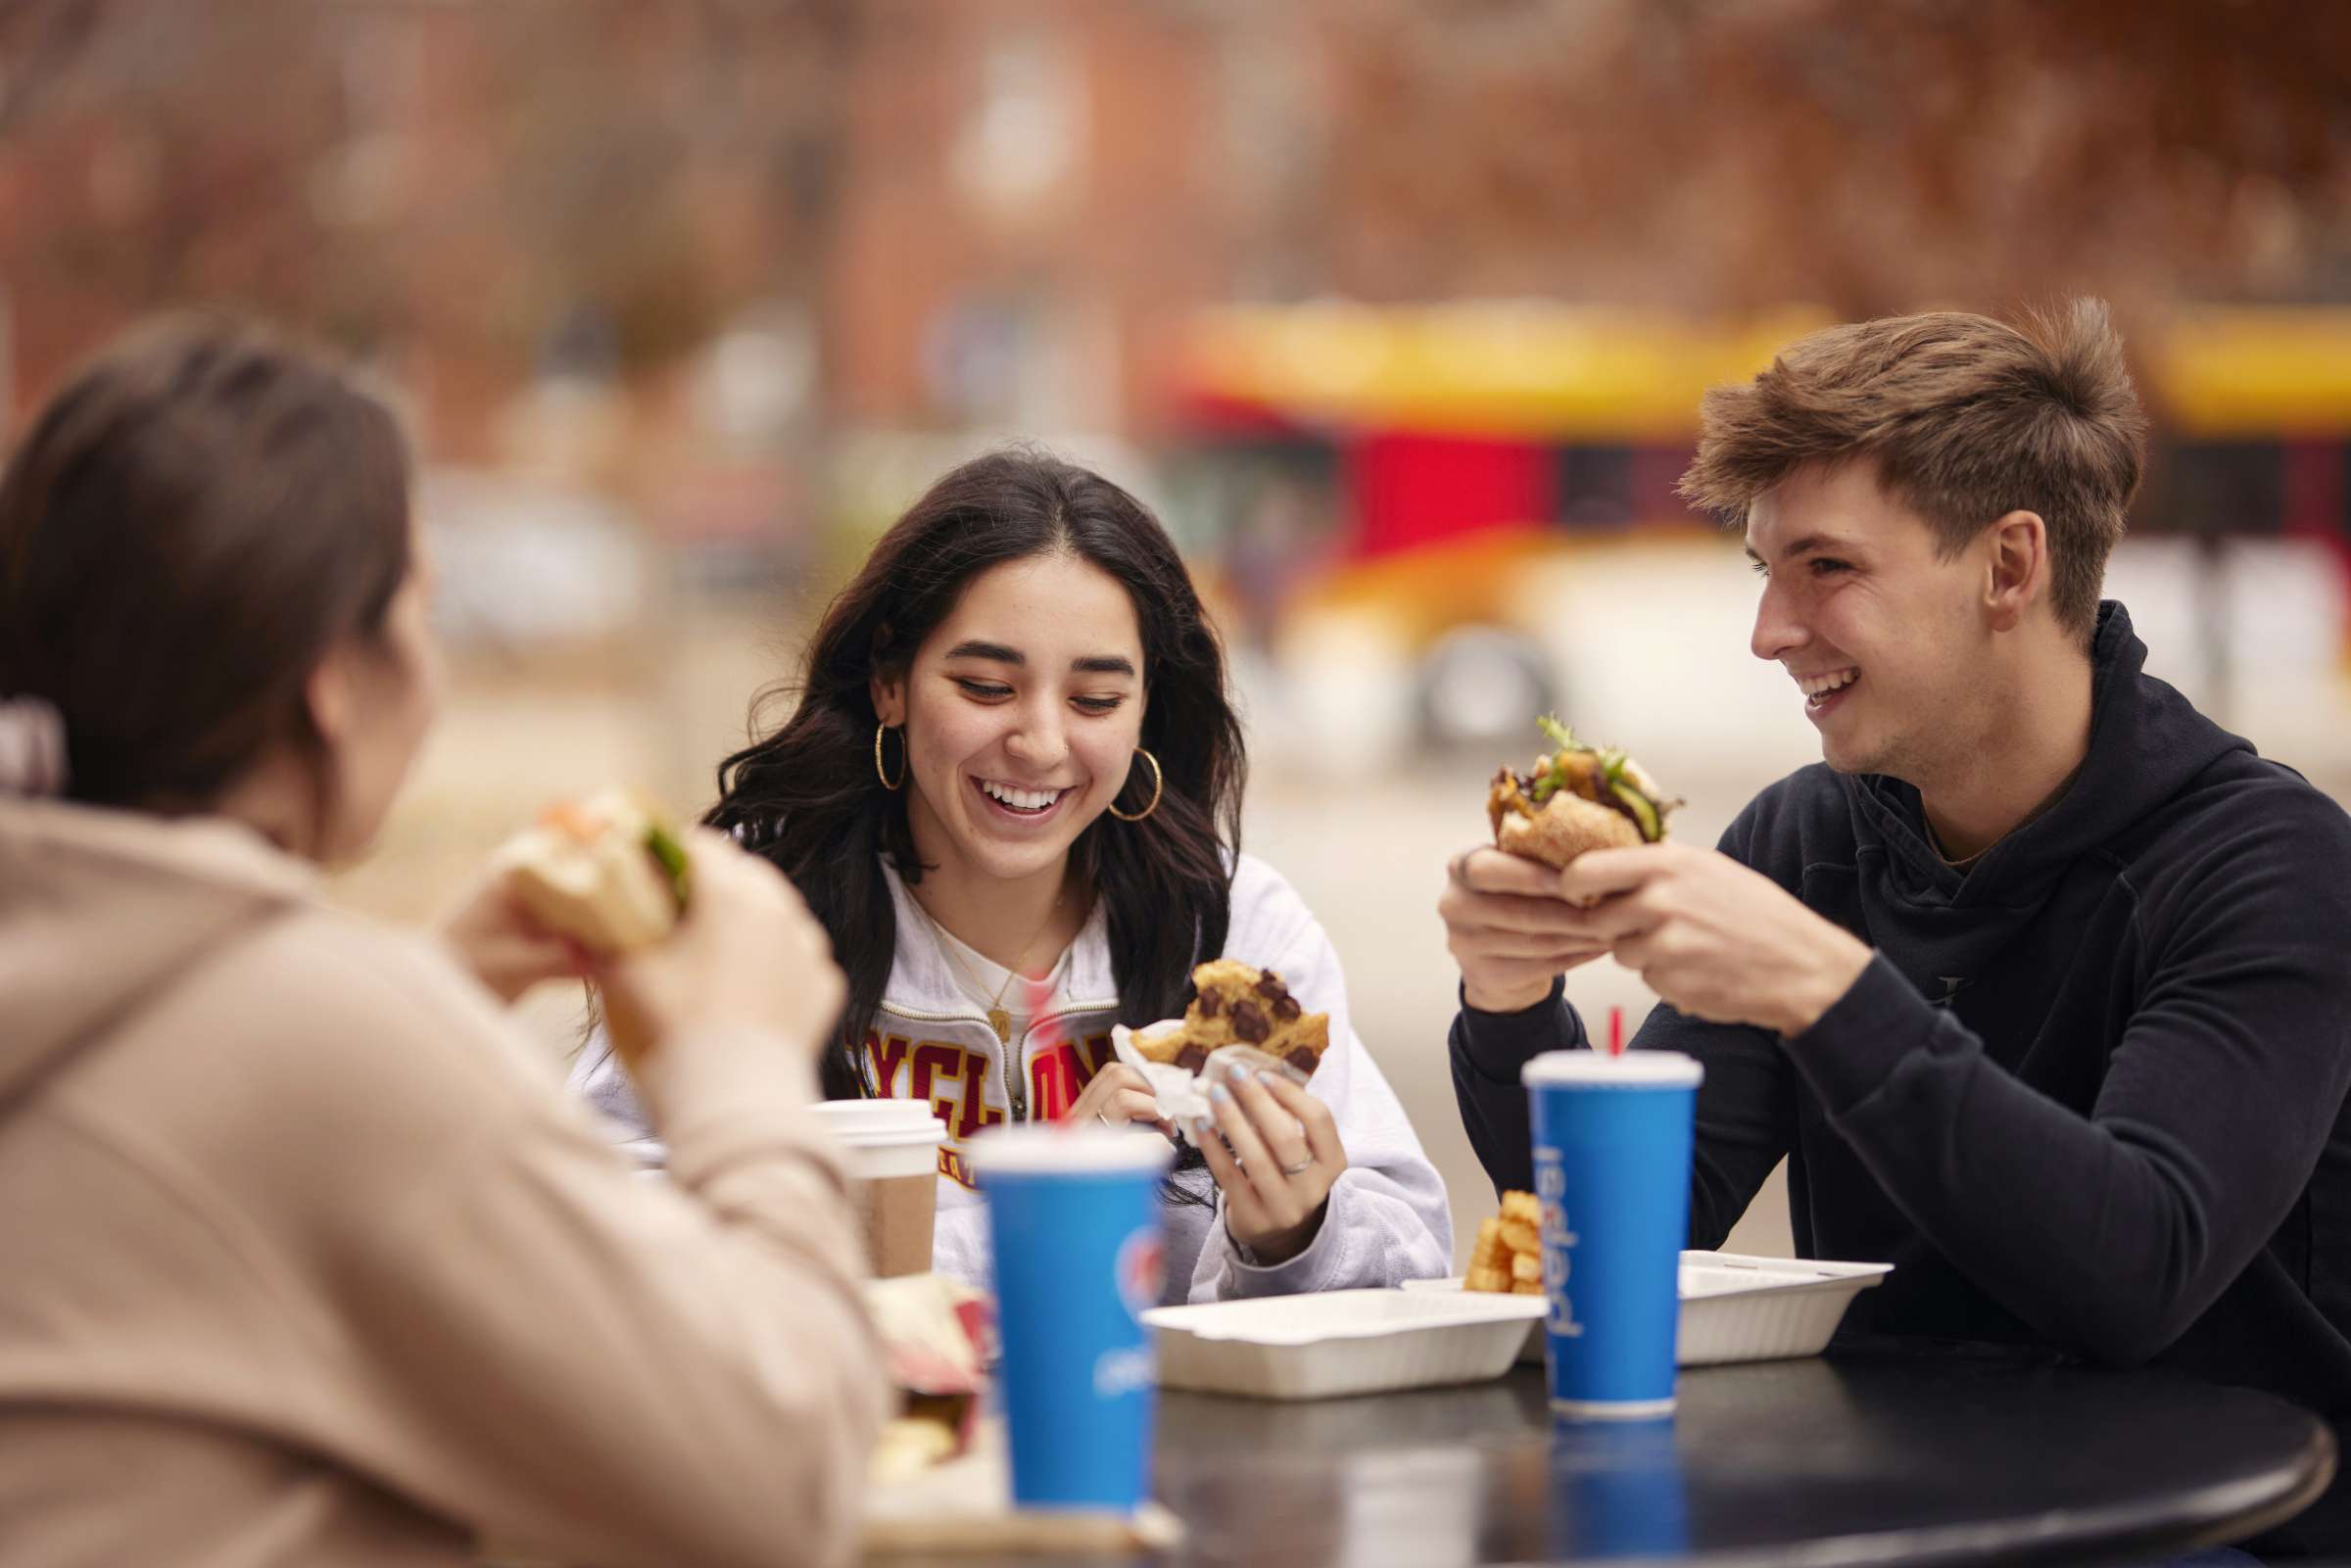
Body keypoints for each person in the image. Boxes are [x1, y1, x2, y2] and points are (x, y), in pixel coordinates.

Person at [1439, 302, 2351, 1558]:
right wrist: (1507, 995)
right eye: (1767, 572)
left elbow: (2134, 1274)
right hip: (1891, 1511)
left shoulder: (2267, 860)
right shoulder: (1806, 840)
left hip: (2223, 1521)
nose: (1769, 632)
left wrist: (1826, 987)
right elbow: (1624, 1237)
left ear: (2009, 565)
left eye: (1829, 567)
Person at [0, 317, 886, 1568]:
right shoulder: (323, 1033)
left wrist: (430, 988)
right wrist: (743, 1071)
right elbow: (786, 1478)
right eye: (419, 607)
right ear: (334, 682)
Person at [573, 449, 1452, 1299]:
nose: (1039, 743)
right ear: (890, 681)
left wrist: (1294, 1236)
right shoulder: (746, 913)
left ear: (1147, 709)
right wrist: (1047, 1211)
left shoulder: (1228, 926)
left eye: (1095, 700)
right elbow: (616, 1251)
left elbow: (1412, 1248)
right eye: (987, 686)